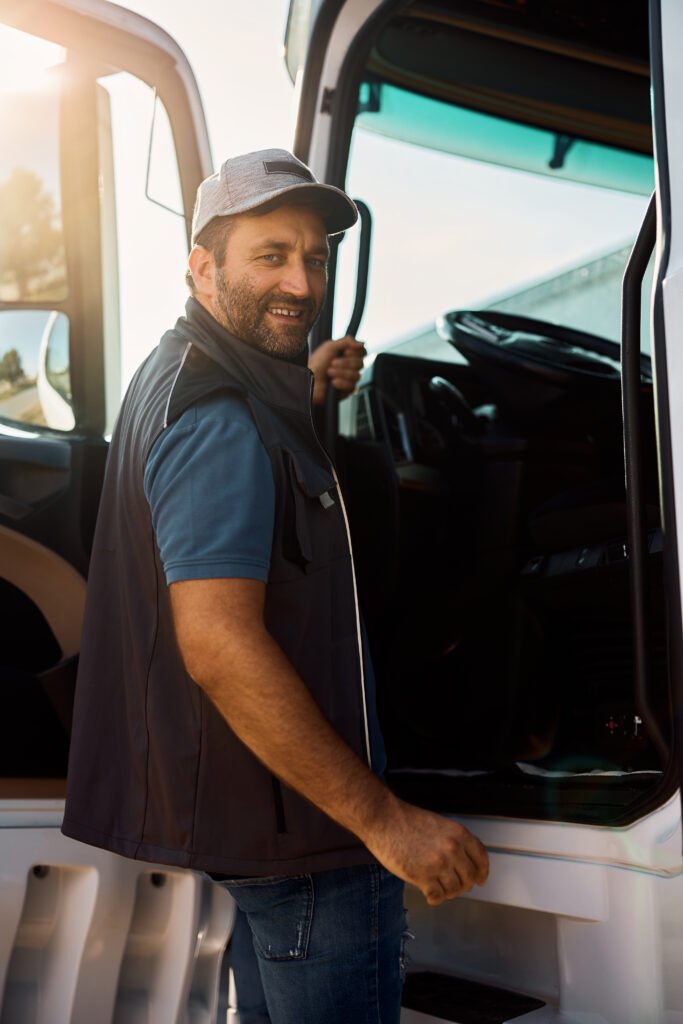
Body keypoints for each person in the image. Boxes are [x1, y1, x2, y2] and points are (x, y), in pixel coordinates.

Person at [62, 149, 489, 1023]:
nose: (300, 280)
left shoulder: (177, 372)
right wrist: (383, 821)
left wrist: (310, 381)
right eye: (269, 255)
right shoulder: (218, 416)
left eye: (316, 256)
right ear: (201, 266)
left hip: (252, 822)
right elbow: (217, 642)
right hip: (307, 835)